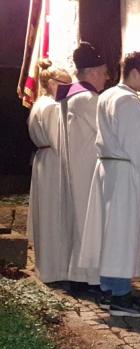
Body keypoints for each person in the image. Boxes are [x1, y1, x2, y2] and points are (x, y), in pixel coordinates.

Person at [78, 52, 140, 317]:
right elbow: (138, 142)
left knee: (110, 233)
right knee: (123, 233)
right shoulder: (128, 101)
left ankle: (108, 289)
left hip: (108, 170)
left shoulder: (107, 96)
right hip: (124, 172)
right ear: (134, 72)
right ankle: (121, 296)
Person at [56, 41, 109, 293]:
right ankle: (92, 279)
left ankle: (79, 276)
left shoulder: (72, 96)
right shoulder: (87, 99)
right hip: (88, 170)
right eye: (104, 72)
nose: (107, 77)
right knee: (91, 224)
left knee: (80, 224)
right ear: (92, 72)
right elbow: (108, 129)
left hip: (78, 167)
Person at [26, 60, 72, 283]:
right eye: (66, 83)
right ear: (53, 83)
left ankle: (44, 266)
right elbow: (59, 140)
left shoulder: (38, 104)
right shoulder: (52, 108)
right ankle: (55, 269)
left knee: (44, 214)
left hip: (43, 161)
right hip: (54, 162)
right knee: (54, 214)